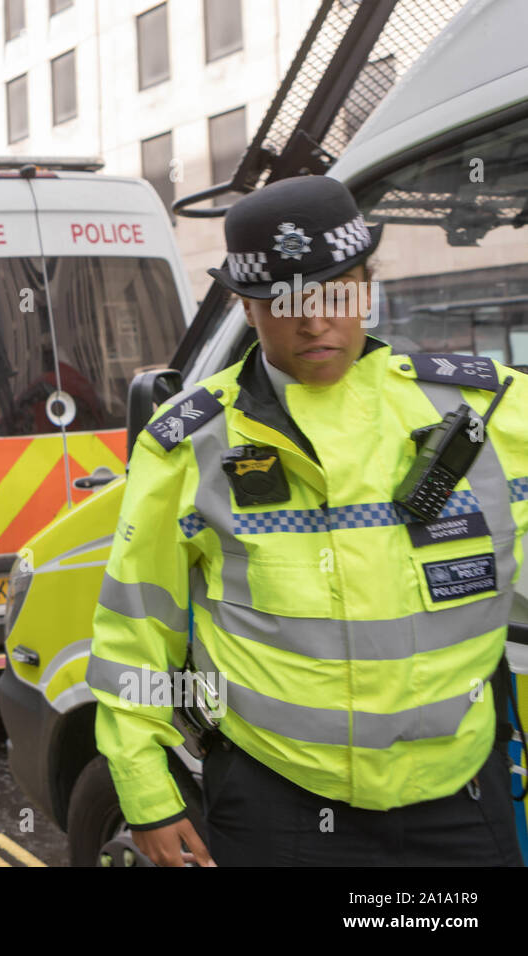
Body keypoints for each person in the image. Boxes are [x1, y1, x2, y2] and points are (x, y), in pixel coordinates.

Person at [89, 175, 528, 867]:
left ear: (369, 286)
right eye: (280, 302)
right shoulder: (191, 444)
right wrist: (147, 793)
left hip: (461, 802)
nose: (314, 321)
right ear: (244, 307)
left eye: (334, 292)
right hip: (282, 808)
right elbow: (137, 635)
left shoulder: (498, 412)